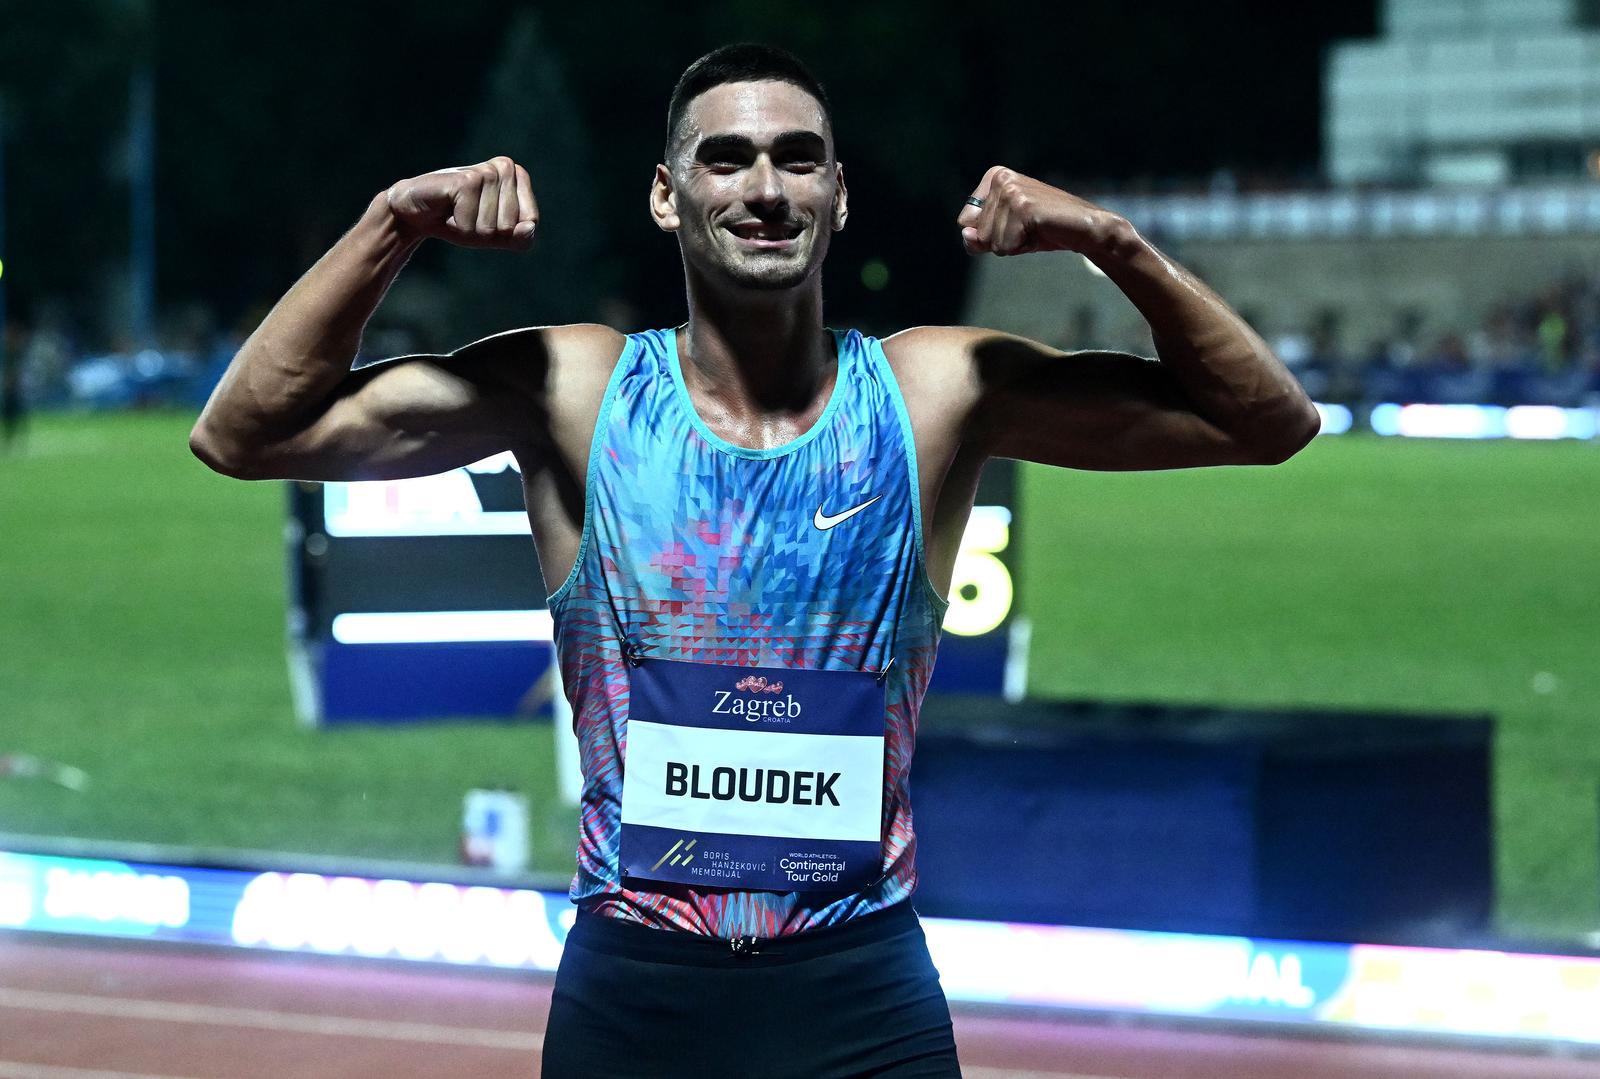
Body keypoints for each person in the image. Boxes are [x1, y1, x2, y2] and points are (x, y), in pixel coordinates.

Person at [190, 43, 1319, 1079]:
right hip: (636, 991)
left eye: (797, 159)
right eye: (724, 159)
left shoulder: (933, 395)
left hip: (859, 992)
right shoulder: (575, 392)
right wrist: (393, 224)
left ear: (838, 197)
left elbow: (1269, 423)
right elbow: (244, 433)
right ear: (666, 194)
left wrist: (1113, 245)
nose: (764, 188)